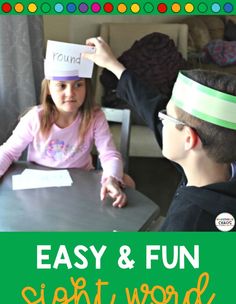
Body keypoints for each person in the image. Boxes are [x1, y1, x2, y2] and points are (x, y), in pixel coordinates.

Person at [83, 37, 236, 231]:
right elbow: (151, 107)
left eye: (167, 117)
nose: (160, 119)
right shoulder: (218, 166)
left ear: (189, 139)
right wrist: (113, 65)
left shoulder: (187, 223)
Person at [0, 41, 134, 208]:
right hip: (38, 189)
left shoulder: (95, 117)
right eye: (61, 86)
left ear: (87, 87)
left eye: (78, 85)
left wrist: (112, 178)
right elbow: (8, 152)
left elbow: (109, 155)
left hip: (79, 186)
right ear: (49, 88)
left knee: (127, 181)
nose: (70, 93)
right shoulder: (35, 117)